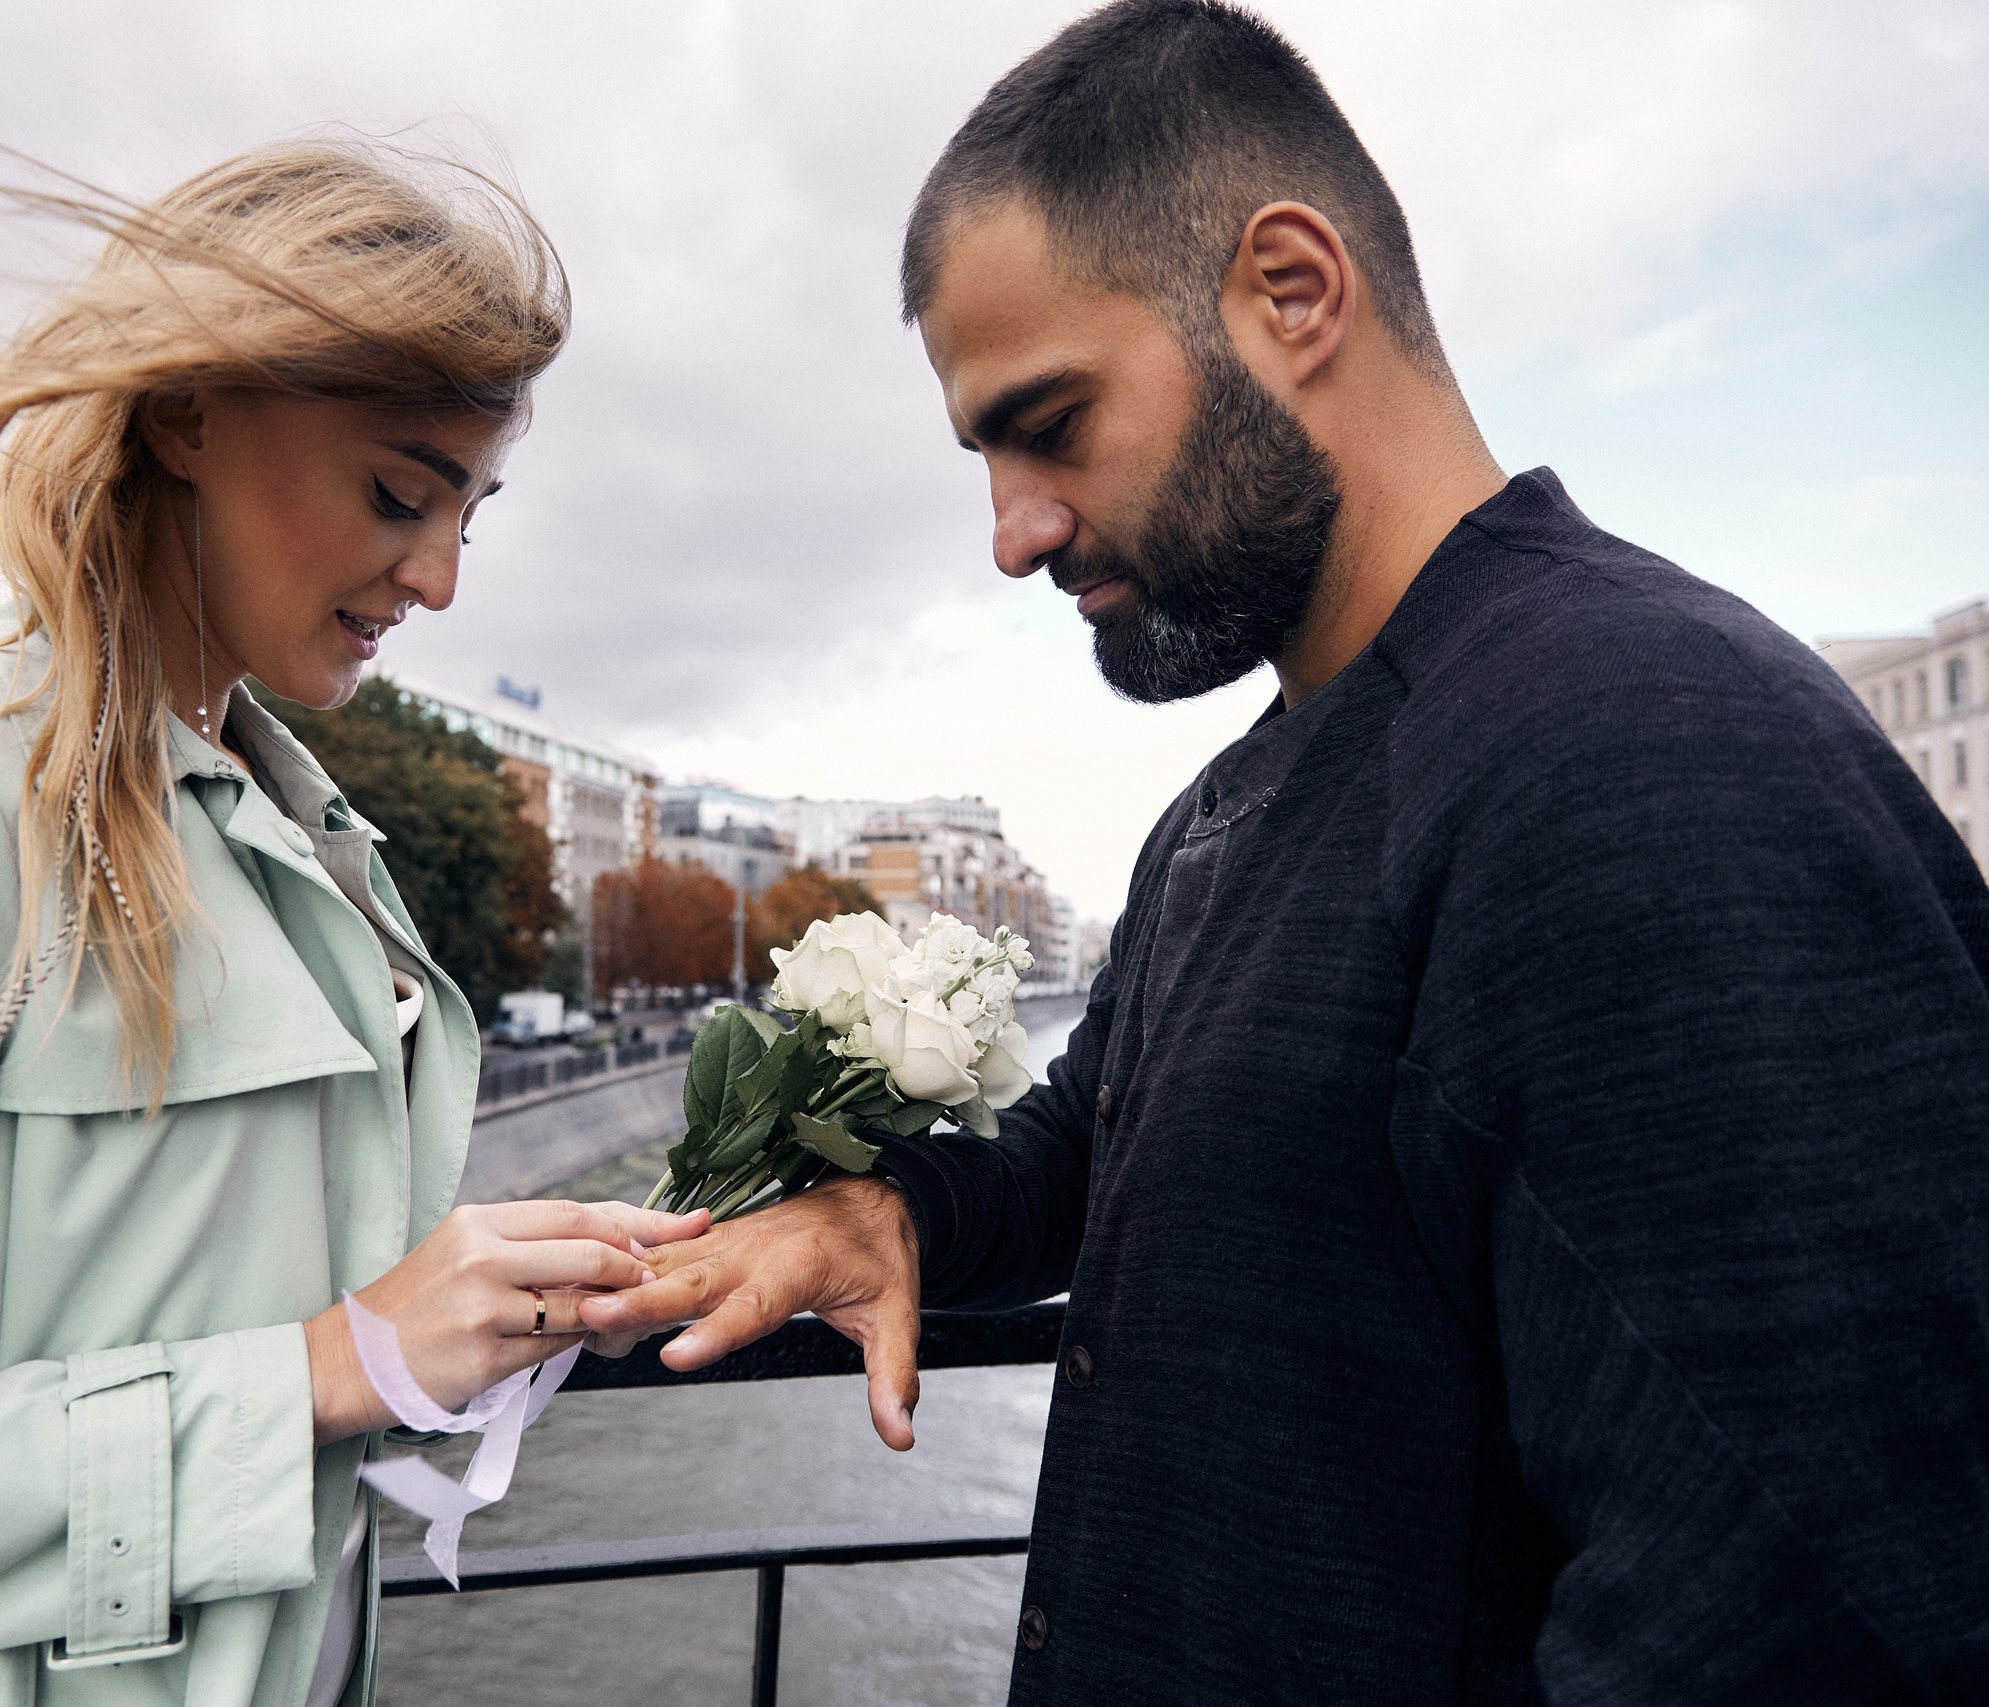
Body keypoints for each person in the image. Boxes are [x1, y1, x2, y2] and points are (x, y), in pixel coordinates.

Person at [582, 4, 1989, 1701]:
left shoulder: (1647, 759)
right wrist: (901, 1219)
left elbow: (1831, 1598)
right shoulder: (1232, 810)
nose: (1013, 533)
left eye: (1049, 421)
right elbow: (1107, 1163)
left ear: (1293, 293)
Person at [0, 141, 706, 1707]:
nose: (439, 577)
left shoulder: (290, 831)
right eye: (397, 491)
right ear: (184, 414)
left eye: (472, 513)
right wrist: (321, 1374)